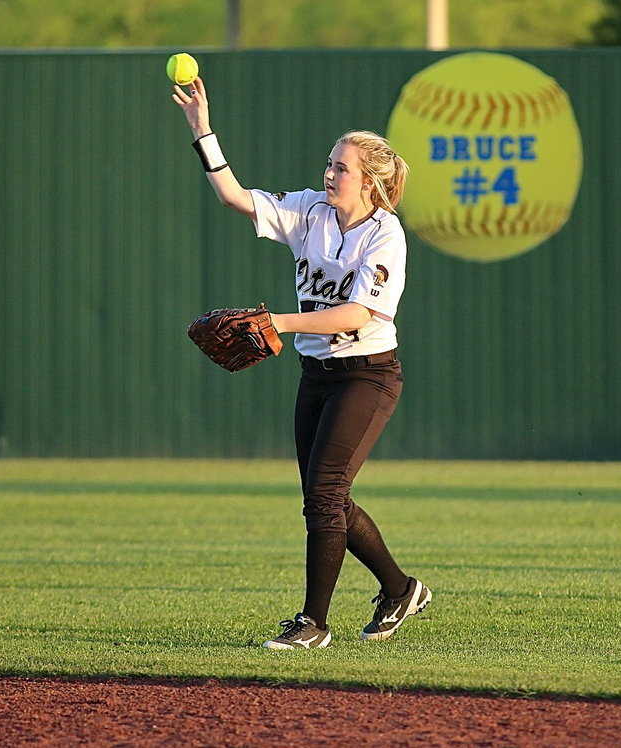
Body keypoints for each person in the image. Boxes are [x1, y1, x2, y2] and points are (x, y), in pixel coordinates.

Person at [172, 77, 432, 649]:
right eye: (331, 163)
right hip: (316, 376)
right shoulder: (310, 212)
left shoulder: (385, 234)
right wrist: (202, 131)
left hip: (368, 375)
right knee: (327, 498)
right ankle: (399, 589)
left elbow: (360, 313)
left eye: (342, 167)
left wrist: (280, 323)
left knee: (323, 494)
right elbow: (236, 199)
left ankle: (314, 623)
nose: (330, 174)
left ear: (371, 182)